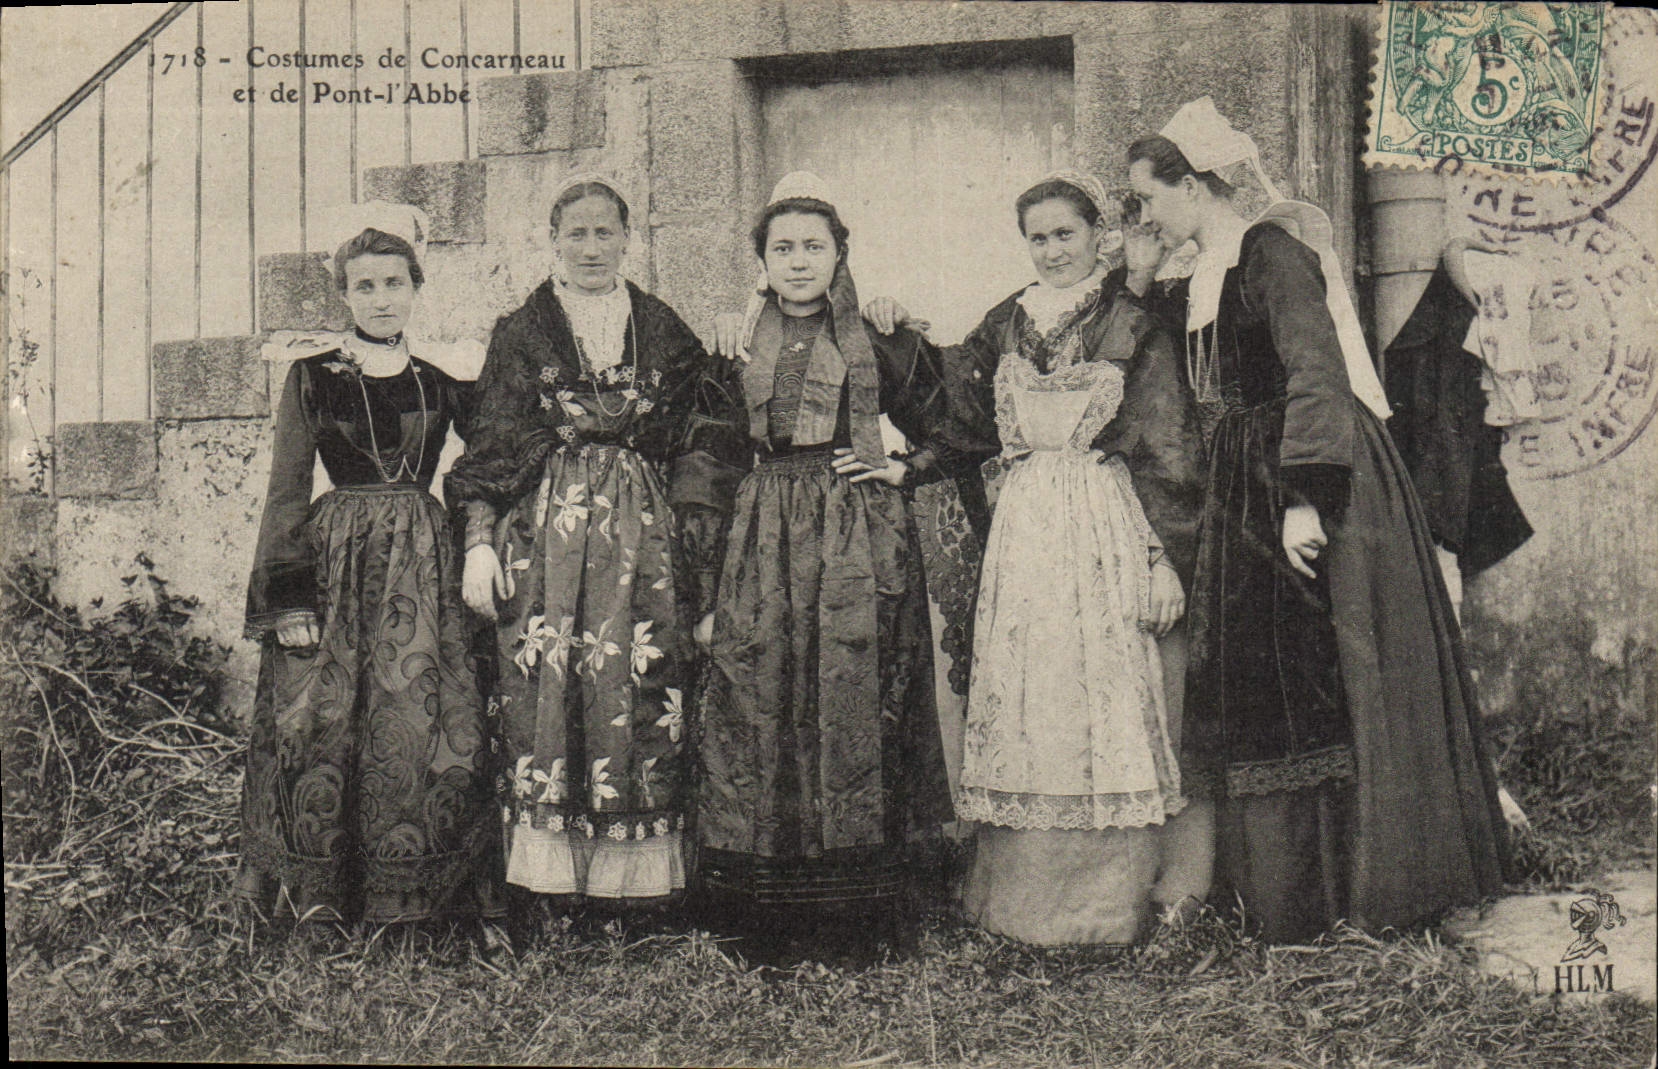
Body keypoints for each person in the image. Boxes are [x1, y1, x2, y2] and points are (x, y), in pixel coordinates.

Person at [1126, 98, 1509, 943]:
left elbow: (1316, 373)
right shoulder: (1202, 272)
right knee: (1265, 680)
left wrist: (1307, 499)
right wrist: (1142, 272)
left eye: (1149, 199)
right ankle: (1284, 895)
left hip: (1315, 476)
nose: (1143, 216)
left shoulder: (1273, 252)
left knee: (1324, 673)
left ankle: (1356, 890)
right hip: (1244, 485)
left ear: (1192, 186)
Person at [864, 171, 1209, 946]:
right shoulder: (1007, 322)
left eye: (1066, 233)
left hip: (1103, 519)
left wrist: (1162, 558)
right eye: (1038, 237)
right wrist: (889, 334)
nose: (1053, 249)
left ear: (1097, 235)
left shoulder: (1131, 319)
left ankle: (1110, 905)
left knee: (1106, 695)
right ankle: (1027, 906)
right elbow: (955, 412)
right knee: (1037, 692)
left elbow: (1168, 441)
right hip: (1026, 535)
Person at [443, 174, 746, 916]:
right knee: (549, 691)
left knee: (638, 686)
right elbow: (488, 446)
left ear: (626, 238)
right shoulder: (523, 330)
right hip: (545, 544)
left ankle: (633, 886)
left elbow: (706, 431)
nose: (589, 247)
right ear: (552, 241)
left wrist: (745, 324)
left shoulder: (661, 325)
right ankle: (550, 884)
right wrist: (479, 542)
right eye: (574, 233)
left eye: (603, 232)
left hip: (644, 545)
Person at [696, 173, 963, 958]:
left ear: (841, 252)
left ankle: (861, 915)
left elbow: (953, 417)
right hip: (762, 528)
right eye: (784, 248)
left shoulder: (876, 332)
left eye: (815, 245)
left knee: (855, 695)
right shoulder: (738, 337)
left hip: (854, 528)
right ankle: (766, 914)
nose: (800, 261)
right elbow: (709, 447)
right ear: (763, 260)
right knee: (762, 694)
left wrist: (905, 468)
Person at [236, 203, 504, 929]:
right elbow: (288, 486)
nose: (381, 299)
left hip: (423, 558)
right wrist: (289, 600)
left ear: (416, 287)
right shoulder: (312, 376)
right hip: (337, 558)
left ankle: (411, 898)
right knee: (322, 723)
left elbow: (492, 459)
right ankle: (324, 897)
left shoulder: (442, 376)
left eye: (394, 283)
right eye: (365, 286)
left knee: (423, 721)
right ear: (344, 294)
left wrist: (480, 535)